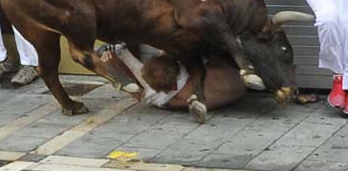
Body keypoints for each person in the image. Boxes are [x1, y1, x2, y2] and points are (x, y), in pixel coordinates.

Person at [98, 44, 247, 114]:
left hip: (231, 85)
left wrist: (113, 63)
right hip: (235, 81)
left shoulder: (155, 95)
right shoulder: (186, 79)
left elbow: (138, 81)